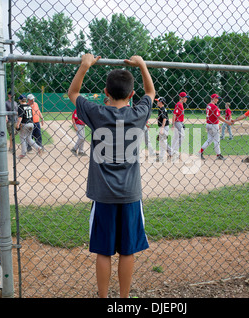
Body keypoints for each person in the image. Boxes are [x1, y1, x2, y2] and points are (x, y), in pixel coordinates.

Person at [67, 54, 155, 298]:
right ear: (131, 94)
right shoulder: (138, 114)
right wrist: (143, 65)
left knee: (104, 251)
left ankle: (104, 299)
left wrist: (84, 66)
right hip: (130, 195)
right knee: (127, 251)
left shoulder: (97, 113)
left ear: (106, 92)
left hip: (103, 195)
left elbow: (73, 93)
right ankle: (124, 300)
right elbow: (151, 92)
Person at [199, 94, 231, 160]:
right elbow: (218, 116)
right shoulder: (214, 107)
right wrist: (226, 121)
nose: (217, 100)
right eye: (216, 98)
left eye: (218, 98)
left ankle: (200, 152)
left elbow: (212, 116)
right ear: (212, 98)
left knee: (209, 139)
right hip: (213, 125)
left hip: (208, 124)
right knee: (217, 140)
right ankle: (218, 155)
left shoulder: (208, 105)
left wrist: (217, 123)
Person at [15, 95, 43, 159]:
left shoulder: (21, 107)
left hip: (25, 124)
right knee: (29, 138)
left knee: (23, 138)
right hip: (31, 124)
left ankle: (23, 154)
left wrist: (17, 125)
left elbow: (20, 117)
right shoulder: (29, 106)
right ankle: (38, 147)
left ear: (20, 100)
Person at [171, 92, 188, 161]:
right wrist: (173, 124)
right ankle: (175, 151)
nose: (186, 99)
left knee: (176, 137)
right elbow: (174, 115)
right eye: (185, 97)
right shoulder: (179, 104)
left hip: (179, 122)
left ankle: (172, 152)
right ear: (181, 98)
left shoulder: (181, 104)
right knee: (182, 136)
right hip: (177, 122)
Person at [156, 97, 172, 162]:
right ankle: (161, 157)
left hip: (164, 127)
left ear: (161, 102)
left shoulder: (162, 109)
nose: (157, 102)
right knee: (162, 142)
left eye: (158, 101)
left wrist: (162, 128)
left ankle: (172, 152)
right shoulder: (161, 109)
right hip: (163, 127)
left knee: (163, 142)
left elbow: (164, 119)